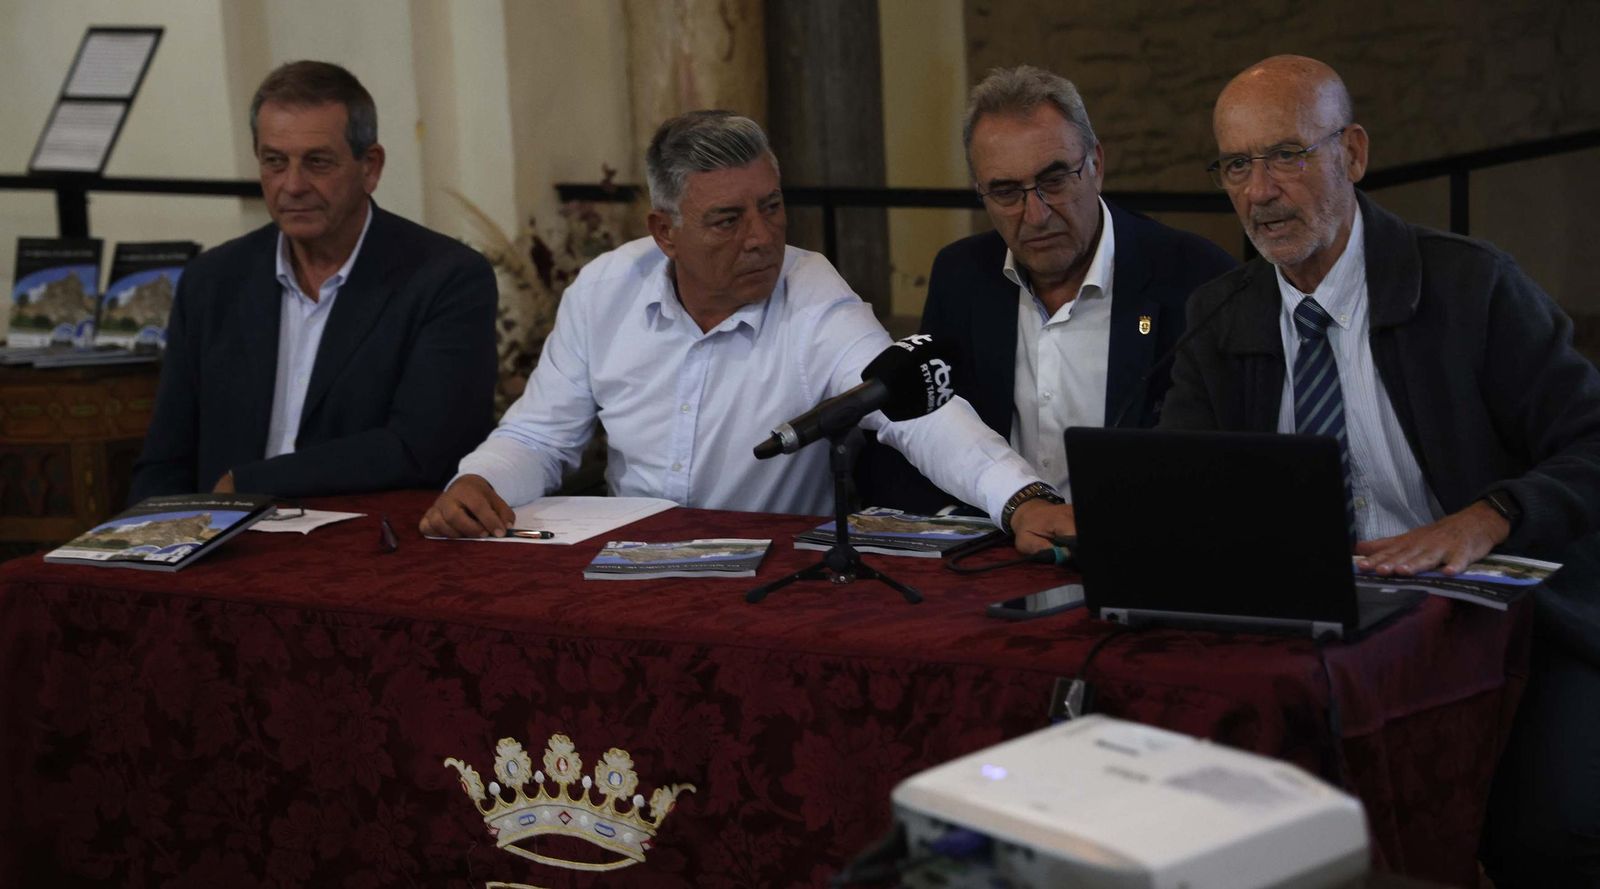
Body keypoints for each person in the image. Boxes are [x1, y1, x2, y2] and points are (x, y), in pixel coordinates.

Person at [1160, 54, 1600, 886]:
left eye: (1287, 154)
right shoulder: (1219, 320)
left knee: (1548, 831)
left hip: (1511, 623)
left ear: (1352, 153)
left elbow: (1592, 438)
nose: (1260, 191)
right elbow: (1184, 491)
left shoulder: (1471, 286)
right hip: (1318, 635)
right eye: (1237, 164)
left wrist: (1486, 516)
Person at [421, 111, 1075, 552]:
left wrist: (1021, 498)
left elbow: (914, 411)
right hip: (625, 570)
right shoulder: (604, 289)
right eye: (728, 220)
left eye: (772, 207)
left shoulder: (810, 291)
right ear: (664, 231)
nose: (761, 237)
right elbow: (540, 434)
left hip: (765, 578)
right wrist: (480, 482)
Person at [858, 65, 1235, 513]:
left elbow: (1221, 467)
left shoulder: (1196, 278)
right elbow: (935, 434)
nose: (1035, 215)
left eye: (1054, 181)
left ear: (1096, 165)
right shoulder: (961, 277)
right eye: (1005, 192)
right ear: (981, 192)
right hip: (998, 565)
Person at [130, 61, 497, 501]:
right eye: (275, 162)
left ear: (371, 167)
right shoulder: (212, 281)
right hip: (220, 546)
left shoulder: (444, 278)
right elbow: (165, 460)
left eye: (317, 163)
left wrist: (249, 485)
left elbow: (423, 448)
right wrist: (149, 546)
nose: (293, 185)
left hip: (365, 546)